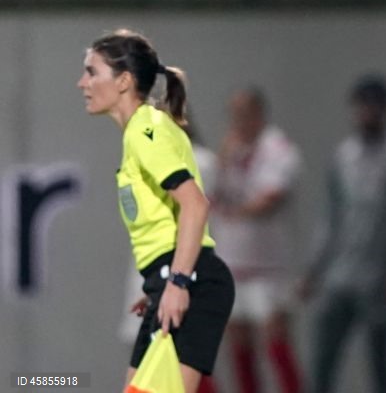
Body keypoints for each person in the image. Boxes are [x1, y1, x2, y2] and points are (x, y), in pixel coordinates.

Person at [77, 29, 235, 393]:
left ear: (124, 81)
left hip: (191, 283)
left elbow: (195, 205)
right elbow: (169, 220)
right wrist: (158, 286)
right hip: (168, 281)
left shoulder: (144, 129)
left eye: (91, 71)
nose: (81, 82)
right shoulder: (147, 130)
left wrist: (178, 282)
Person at [299, 74, 386, 393]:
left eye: (374, 107)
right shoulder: (344, 156)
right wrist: (314, 269)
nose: (367, 113)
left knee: (380, 362)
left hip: (378, 277)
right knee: (323, 359)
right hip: (340, 274)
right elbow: (329, 217)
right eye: (362, 107)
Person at [210, 88, 303, 393]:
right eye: (233, 115)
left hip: (267, 265)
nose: (238, 122)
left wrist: (236, 212)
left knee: (276, 343)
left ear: (259, 114)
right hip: (233, 262)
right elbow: (212, 194)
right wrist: (223, 159)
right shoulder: (230, 152)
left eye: (244, 114)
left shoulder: (278, 148)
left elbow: (270, 199)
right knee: (240, 348)